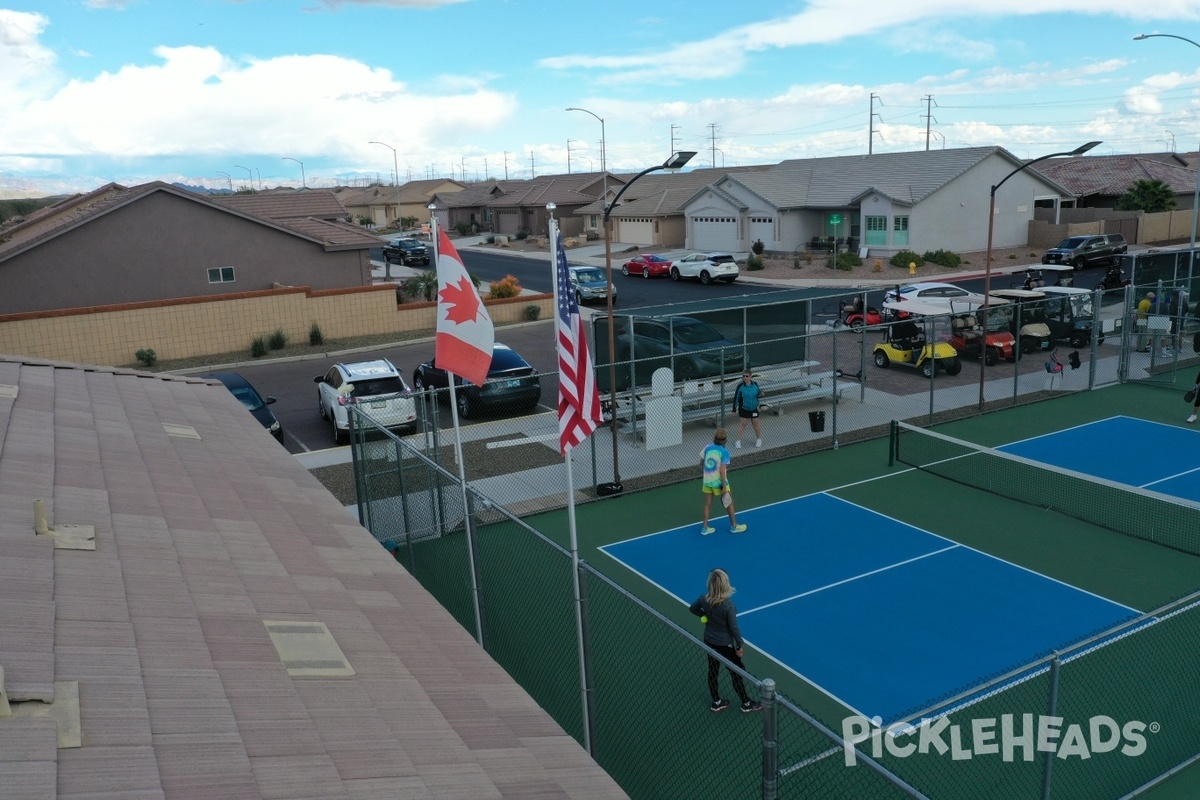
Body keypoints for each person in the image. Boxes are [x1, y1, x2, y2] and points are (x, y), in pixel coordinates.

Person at [689, 568, 762, 714]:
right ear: (725, 585)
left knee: (713, 670)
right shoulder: (728, 606)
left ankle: (716, 702)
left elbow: (693, 609)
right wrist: (740, 645)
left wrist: (706, 616)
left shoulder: (704, 598)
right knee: (736, 673)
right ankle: (746, 703)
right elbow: (733, 628)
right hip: (726, 646)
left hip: (709, 640)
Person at [700, 428, 746, 535]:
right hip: (719, 483)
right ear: (725, 440)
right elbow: (721, 471)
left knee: (707, 504)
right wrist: (724, 486)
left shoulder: (707, 448)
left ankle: (705, 528)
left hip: (707, 480)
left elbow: (701, 463)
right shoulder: (725, 452)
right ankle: (734, 526)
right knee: (729, 503)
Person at [732, 371, 765, 448]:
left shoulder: (755, 385)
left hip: (754, 408)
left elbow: (758, 394)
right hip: (744, 409)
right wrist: (734, 409)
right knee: (742, 424)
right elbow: (736, 398)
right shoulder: (740, 386)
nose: (745, 378)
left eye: (747, 376)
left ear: (750, 377)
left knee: (756, 424)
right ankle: (738, 441)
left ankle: (759, 440)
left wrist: (761, 394)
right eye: (743, 376)